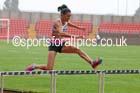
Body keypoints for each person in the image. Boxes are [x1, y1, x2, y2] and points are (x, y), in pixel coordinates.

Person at [26, 4, 102, 71]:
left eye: (70, 16)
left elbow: (70, 24)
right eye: (67, 16)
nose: (69, 18)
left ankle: (92, 63)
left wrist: (79, 28)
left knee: (77, 49)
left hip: (62, 44)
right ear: (62, 14)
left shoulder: (65, 21)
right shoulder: (57, 22)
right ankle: (35, 66)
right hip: (54, 45)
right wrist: (75, 36)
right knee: (49, 68)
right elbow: (61, 33)